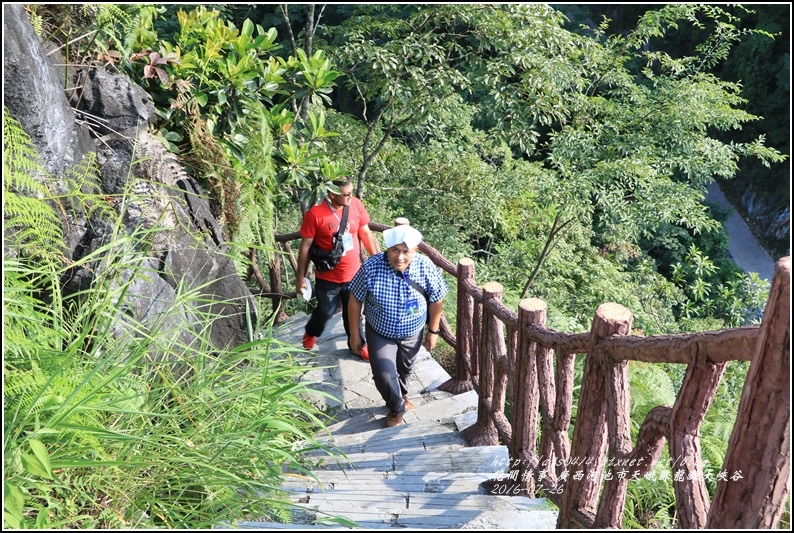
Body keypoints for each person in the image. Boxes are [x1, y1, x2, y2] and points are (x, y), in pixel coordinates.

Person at [347, 225, 449, 427]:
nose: (399, 257)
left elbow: (436, 300)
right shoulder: (371, 267)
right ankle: (396, 408)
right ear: (387, 248)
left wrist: (433, 331)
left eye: (405, 251)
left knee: (405, 368)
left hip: (413, 331)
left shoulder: (425, 267)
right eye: (395, 250)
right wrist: (354, 334)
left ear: (415, 251)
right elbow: (355, 299)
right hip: (380, 331)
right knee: (383, 372)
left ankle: (402, 395)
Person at [296, 179, 379, 360]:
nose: (351, 196)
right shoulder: (315, 214)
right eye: (346, 194)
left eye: (351, 192)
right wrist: (300, 277)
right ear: (332, 194)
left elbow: (365, 232)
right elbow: (305, 247)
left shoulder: (355, 204)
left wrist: (376, 259)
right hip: (328, 277)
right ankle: (311, 332)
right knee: (326, 311)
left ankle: (357, 345)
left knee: (354, 313)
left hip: (354, 274)